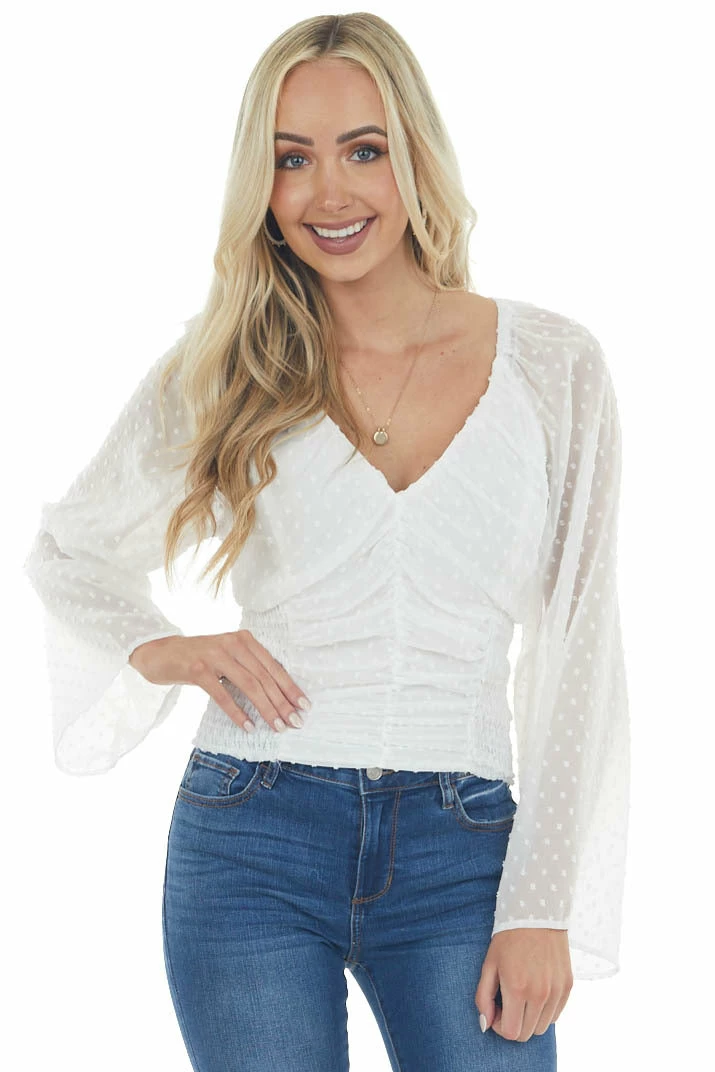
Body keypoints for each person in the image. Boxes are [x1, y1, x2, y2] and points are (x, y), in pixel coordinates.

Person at [23, 12, 630, 1072]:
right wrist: (166, 648)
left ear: (415, 156)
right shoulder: (229, 367)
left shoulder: (552, 366)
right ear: (259, 186)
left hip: (463, 846)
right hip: (250, 832)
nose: (328, 194)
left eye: (363, 149)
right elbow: (67, 550)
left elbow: (579, 641)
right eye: (291, 159)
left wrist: (542, 903)